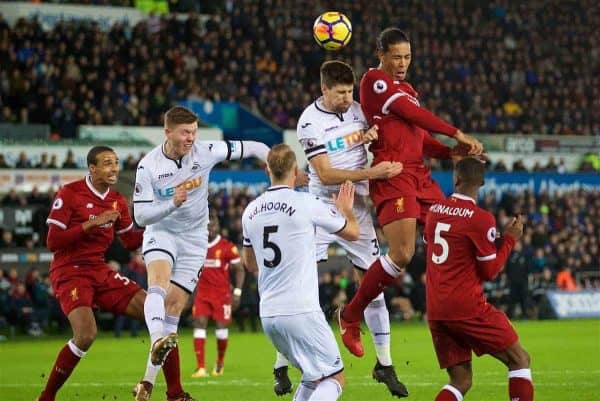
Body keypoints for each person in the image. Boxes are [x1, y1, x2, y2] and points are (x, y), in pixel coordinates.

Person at [337, 28, 484, 362]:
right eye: (396, 57)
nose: (402, 63)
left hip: (419, 173)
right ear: (381, 54)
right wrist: (455, 133)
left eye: (407, 57)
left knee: (451, 236)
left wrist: (452, 153)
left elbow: (417, 135)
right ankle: (350, 314)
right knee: (402, 253)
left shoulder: (407, 89)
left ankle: (458, 316)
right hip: (394, 173)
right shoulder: (374, 81)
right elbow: (417, 115)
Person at [272, 59, 407, 397]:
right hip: (319, 208)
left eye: (350, 91)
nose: (347, 98)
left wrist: (371, 139)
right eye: (340, 93)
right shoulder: (309, 122)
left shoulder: (360, 110)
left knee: (374, 285)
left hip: (357, 209)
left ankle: (385, 365)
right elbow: (328, 174)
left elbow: (371, 143)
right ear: (324, 90)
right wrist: (373, 174)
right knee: (301, 287)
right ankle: (281, 365)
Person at [132, 106, 270, 401]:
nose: (191, 138)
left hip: (195, 239)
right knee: (157, 283)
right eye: (185, 132)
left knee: (173, 309)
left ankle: (147, 383)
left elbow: (256, 147)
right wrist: (172, 204)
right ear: (168, 132)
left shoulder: (206, 150)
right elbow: (141, 217)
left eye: (194, 131)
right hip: (162, 232)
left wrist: (272, 162)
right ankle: (157, 341)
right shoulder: (149, 166)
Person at [37, 146, 183, 401]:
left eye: (116, 162)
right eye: (107, 163)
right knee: (86, 334)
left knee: (158, 312)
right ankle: (47, 397)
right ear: (92, 169)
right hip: (69, 271)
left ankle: (176, 393)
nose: (114, 168)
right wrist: (91, 223)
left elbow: (129, 242)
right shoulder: (70, 193)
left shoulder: (116, 199)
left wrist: (163, 224)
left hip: (99, 270)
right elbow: (53, 241)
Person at [242, 144, 359, 401]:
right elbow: (352, 233)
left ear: (267, 170)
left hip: (269, 314)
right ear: (295, 170)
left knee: (312, 375)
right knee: (335, 378)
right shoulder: (307, 203)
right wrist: (346, 211)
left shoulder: (250, 210)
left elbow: (249, 264)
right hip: (300, 310)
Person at [423, 157, 533, 401]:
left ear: (456, 179)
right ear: (482, 183)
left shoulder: (434, 211)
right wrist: (510, 239)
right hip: (466, 307)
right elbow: (490, 271)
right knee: (520, 359)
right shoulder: (480, 218)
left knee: (460, 380)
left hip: (436, 308)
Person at [191, 218, 245, 378]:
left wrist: (237, 292)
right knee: (199, 323)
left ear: (218, 227)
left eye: (213, 226)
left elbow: (240, 269)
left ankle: (220, 362)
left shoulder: (227, 247)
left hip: (222, 296)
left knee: (221, 328)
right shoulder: (197, 247)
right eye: (207, 226)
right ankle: (201, 367)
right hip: (202, 294)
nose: (210, 229)